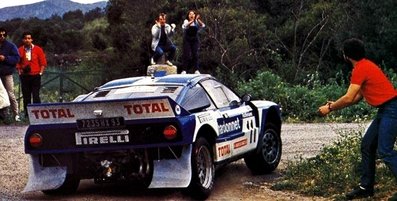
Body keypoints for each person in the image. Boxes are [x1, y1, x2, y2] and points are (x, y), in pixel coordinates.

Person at [318, 38, 397, 200]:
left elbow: (348, 98)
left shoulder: (360, 69)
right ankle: (366, 188)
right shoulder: (365, 66)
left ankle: (367, 187)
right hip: (386, 109)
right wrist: (334, 104)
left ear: (346, 56)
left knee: (385, 150)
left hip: (392, 108)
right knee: (367, 145)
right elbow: (356, 97)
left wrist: (330, 108)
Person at [16, 32, 47, 117]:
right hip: (25, 76)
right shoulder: (19, 50)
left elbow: (43, 62)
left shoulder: (38, 49)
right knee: (26, 96)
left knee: (36, 95)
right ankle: (27, 115)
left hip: (36, 76)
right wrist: (19, 70)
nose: (27, 40)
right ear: (23, 40)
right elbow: (17, 62)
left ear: (32, 39)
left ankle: (38, 115)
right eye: (25, 38)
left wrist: (40, 73)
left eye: (29, 38)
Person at [0, 27, 21, 122]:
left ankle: (16, 114)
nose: (2, 37)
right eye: (0, 35)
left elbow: (17, 58)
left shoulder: (11, 46)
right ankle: (3, 115)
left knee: (10, 93)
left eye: (4, 35)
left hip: (7, 74)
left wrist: (5, 58)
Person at [181, 10, 205, 74]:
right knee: (186, 55)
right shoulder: (186, 21)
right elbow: (185, 26)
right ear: (188, 16)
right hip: (187, 40)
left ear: (195, 15)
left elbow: (203, 25)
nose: (191, 15)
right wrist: (193, 20)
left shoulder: (196, 22)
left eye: (193, 14)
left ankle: (196, 70)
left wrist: (197, 20)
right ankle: (184, 70)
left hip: (195, 40)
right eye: (190, 14)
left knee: (195, 55)